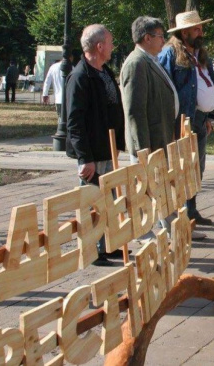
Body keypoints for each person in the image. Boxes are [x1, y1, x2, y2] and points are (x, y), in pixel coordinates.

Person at [65, 24, 126, 265]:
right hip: (93, 153)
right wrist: (84, 158)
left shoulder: (104, 71)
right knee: (92, 203)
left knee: (108, 201)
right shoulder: (80, 76)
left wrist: (119, 143)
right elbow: (74, 122)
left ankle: (106, 245)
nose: (112, 47)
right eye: (110, 42)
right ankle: (91, 251)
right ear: (99, 46)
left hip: (108, 148)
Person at [158, 10, 214, 228]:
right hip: (181, 120)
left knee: (196, 168)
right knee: (181, 169)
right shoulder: (170, 54)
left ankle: (191, 210)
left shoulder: (201, 54)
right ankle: (180, 213)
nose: (201, 31)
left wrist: (209, 115)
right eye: (196, 28)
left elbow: (208, 83)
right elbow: (165, 90)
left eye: (201, 27)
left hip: (200, 119)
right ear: (184, 33)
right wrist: (171, 125)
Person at [121, 16, 179, 161]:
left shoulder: (151, 60)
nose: (163, 41)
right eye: (160, 36)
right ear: (147, 38)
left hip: (160, 141)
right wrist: (143, 150)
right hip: (150, 149)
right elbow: (135, 111)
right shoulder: (136, 63)